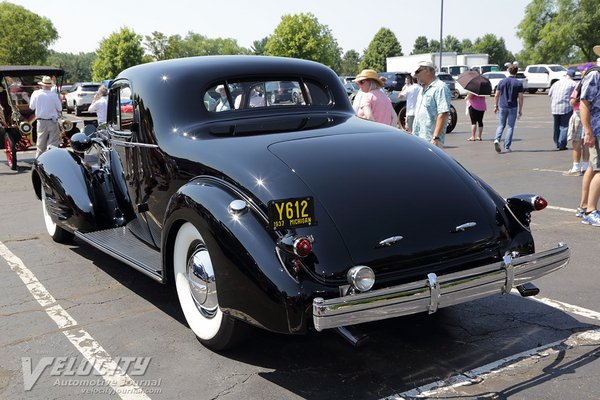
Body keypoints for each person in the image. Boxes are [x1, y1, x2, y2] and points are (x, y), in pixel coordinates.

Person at [578, 45, 600, 226]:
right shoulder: (596, 75)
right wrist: (588, 132)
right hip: (597, 129)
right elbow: (584, 104)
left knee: (593, 167)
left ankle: (584, 205)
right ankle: (590, 211)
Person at [564, 64, 594, 176]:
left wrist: (574, 100)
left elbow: (572, 101)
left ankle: (576, 167)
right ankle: (585, 167)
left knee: (576, 142)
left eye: (582, 71)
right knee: (586, 142)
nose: (581, 72)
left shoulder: (581, 84)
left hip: (579, 113)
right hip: (591, 115)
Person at [412, 61, 452, 146]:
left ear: (427, 71)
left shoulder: (440, 87)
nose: (416, 75)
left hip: (431, 140)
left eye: (417, 72)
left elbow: (443, 113)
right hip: (419, 138)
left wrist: (435, 137)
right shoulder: (422, 89)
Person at [493, 64, 524, 153]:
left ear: (508, 70)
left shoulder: (502, 81)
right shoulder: (518, 83)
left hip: (502, 106)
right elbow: (521, 98)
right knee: (510, 127)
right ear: (516, 72)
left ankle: (497, 139)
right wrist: (520, 110)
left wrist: (496, 106)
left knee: (501, 125)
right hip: (513, 106)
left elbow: (496, 95)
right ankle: (507, 146)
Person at [29, 76, 62, 158]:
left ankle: (38, 162)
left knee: (40, 145)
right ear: (50, 85)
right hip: (52, 121)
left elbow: (31, 107)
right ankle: (52, 161)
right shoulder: (54, 95)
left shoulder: (36, 93)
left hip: (41, 121)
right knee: (53, 145)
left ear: (42, 85)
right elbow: (60, 108)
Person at [548, 69, 577, 150]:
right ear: (573, 76)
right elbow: (576, 95)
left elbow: (549, 94)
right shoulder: (573, 83)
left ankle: (557, 143)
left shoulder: (556, 83)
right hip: (566, 107)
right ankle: (562, 144)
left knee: (556, 126)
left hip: (554, 107)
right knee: (565, 126)